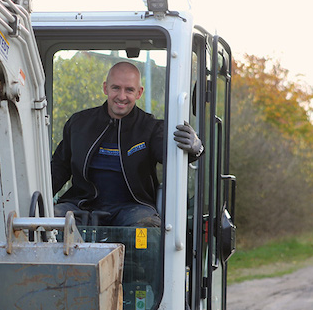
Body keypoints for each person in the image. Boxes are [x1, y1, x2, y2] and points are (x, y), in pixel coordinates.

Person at [51, 61, 203, 227]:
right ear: (105, 88)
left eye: (129, 90)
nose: (121, 96)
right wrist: (37, 199)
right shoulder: (79, 124)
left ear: (139, 93)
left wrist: (196, 149)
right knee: (48, 219)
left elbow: (170, 154)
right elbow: (59, 167)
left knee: (147, 229)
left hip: (132, 209)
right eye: (116, 88)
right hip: (81, 206)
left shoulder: (151, 128)